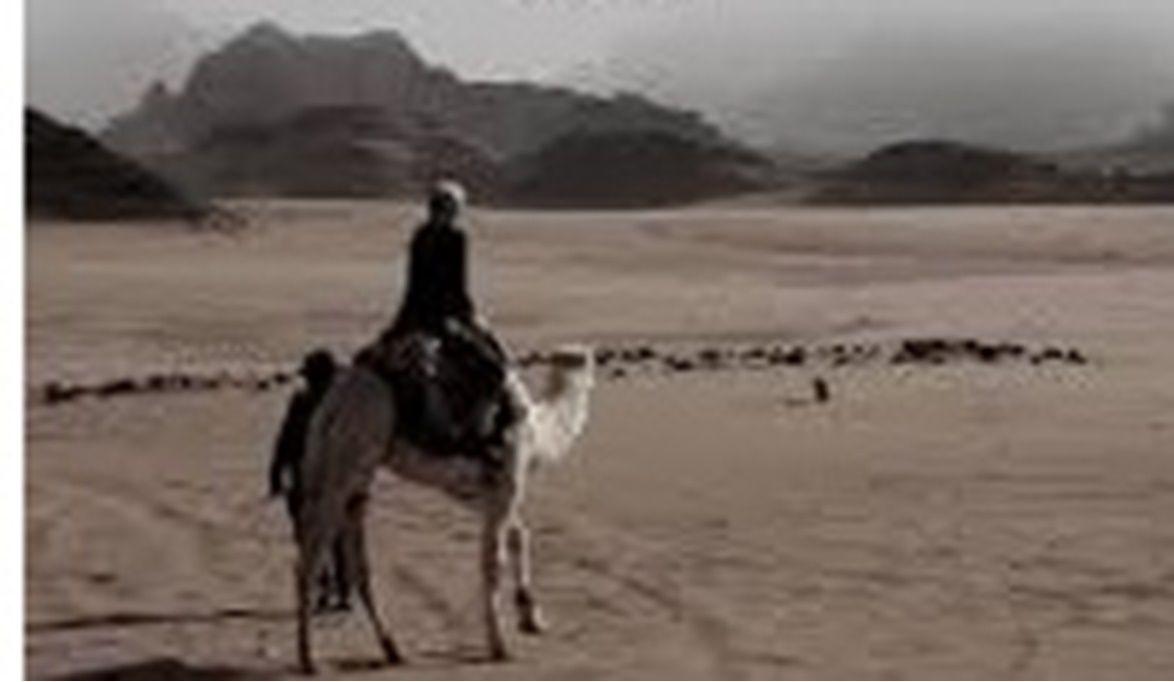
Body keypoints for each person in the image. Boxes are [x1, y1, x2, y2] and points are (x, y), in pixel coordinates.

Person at [357, 180, 517, 454]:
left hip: (412, 317)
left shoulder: (420, 236)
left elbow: (412, 287)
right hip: (440, 321)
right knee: (493, 369)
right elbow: (457, 289)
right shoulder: (456, 238)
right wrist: (471, 318)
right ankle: (475, 434)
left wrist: (398, 327)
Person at [268, 349, 352, 611]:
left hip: (318, 479)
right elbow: (286, 440)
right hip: (319, 479)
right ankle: (335, 589)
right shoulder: (337, 405)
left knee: (319, 538)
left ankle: (332, 588)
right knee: (330, 537)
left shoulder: (316, 404)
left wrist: (276, 475)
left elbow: (285, 441)